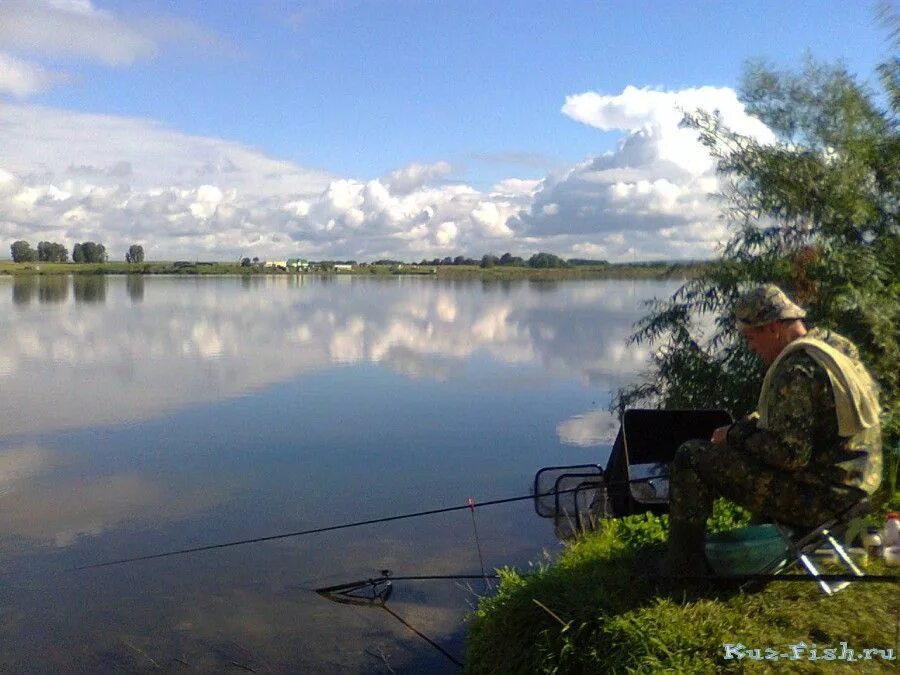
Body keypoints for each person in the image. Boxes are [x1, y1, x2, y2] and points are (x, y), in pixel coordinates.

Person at [665, 284, 882, 576]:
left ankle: (684, 567)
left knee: (690, 455)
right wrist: (748, 427)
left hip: (822, 502)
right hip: (858, 484)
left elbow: (789, 455)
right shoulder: (835, 347)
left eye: (750, 336)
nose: (749, 346)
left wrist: (734, 435)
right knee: (747, 443)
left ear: (774, 328)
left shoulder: (795, 369)